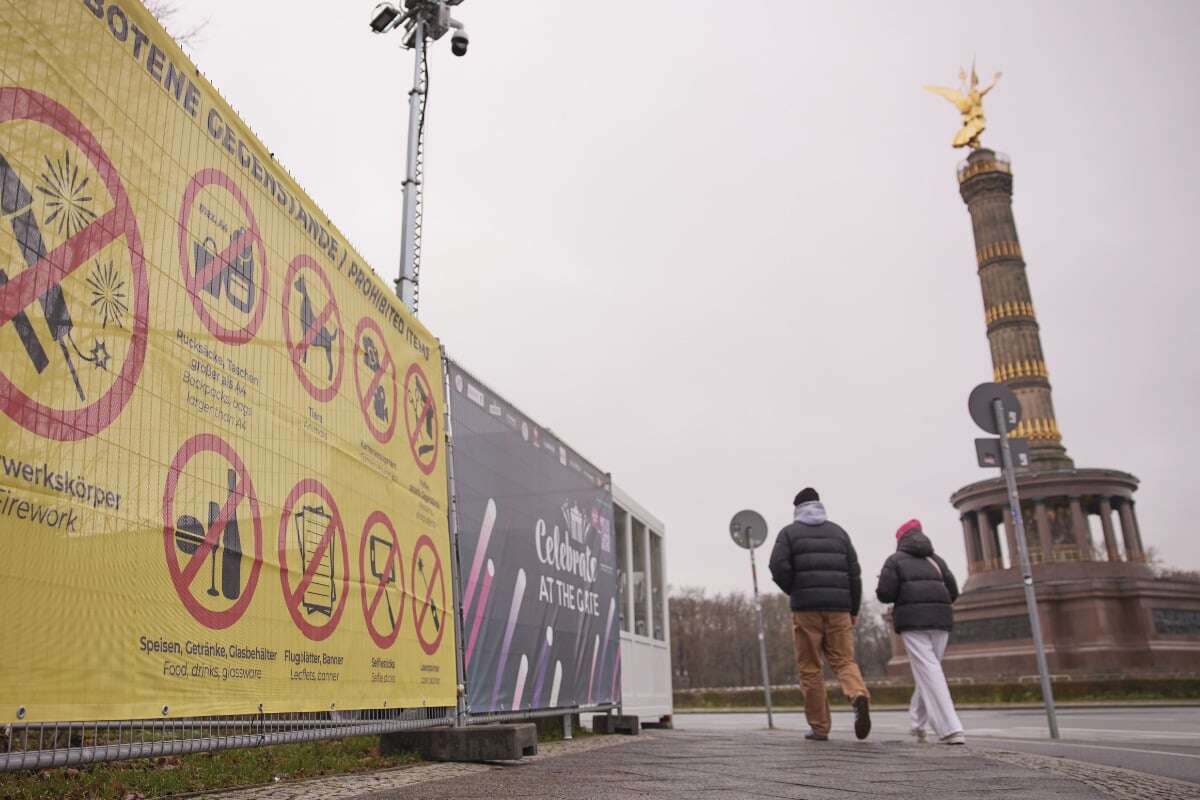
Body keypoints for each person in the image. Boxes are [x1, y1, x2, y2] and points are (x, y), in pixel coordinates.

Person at [769, 487, 871, 741]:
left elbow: (777, 565)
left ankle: (820, 727)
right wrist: (854, 609)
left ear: (797, 509)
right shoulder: (839, 533)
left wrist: (794, 588)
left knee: (810, 667)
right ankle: (857, 693)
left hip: (806, 610)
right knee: (844, 660)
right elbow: (854, 573)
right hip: (840, 609)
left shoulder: (789, 533)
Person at [875, 518, 965, 745]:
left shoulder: (894, 560)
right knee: (929, 670)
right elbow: (953, 592)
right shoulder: (937, 561)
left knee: (930, 670)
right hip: (941, 622)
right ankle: (917, 722)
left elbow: (885, 594)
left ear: (900, 540)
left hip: (913, 624)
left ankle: (951, 729)